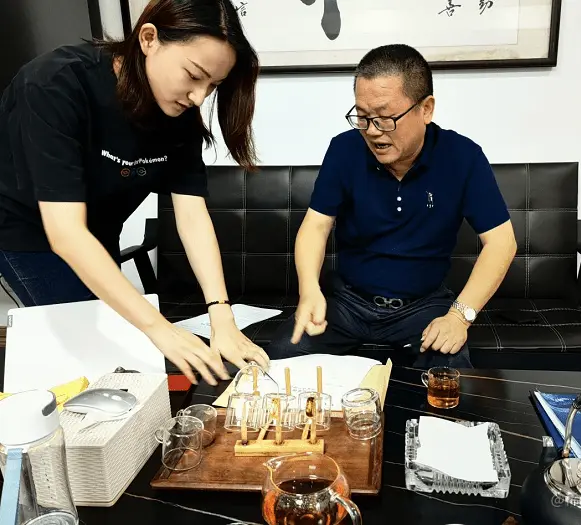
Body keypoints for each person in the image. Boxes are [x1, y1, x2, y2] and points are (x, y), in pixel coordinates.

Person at [0, 0, 270, 386]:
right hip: (27, 232)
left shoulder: (179, 116)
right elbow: (66, 233)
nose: (199, 97)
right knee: (86, 348)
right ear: (149, 39)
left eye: (212, 86)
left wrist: (221, 315)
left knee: (115, 342)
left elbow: (192, 215)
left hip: (98, 229)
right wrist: (160, 328)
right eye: (194, 75)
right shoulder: (54, 84)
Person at [265, 44, 517, 369]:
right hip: (347, 303)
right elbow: (316, 225)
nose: (372, 131)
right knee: (280, 362)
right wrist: (309, 290)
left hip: (423, 306)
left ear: (426, 109)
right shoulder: (344, 150)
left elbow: (501, 242)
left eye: (385, 118)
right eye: (362, 117)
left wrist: (459, 316)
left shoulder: (462, 156)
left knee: (449, 378)